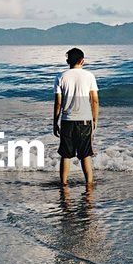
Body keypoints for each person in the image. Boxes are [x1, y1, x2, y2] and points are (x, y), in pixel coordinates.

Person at [53, 47, 99, 187]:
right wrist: (95, 120)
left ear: (68, 61)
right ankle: (89, 184)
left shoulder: (61, 76)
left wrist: (55, 122)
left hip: (67, 121)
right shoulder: (89, 76)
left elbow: (58, 102)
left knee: (66, 155)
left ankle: (64, 184)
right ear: (82, 61)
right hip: (85, 120)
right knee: (85, 154)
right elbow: (94, 100)